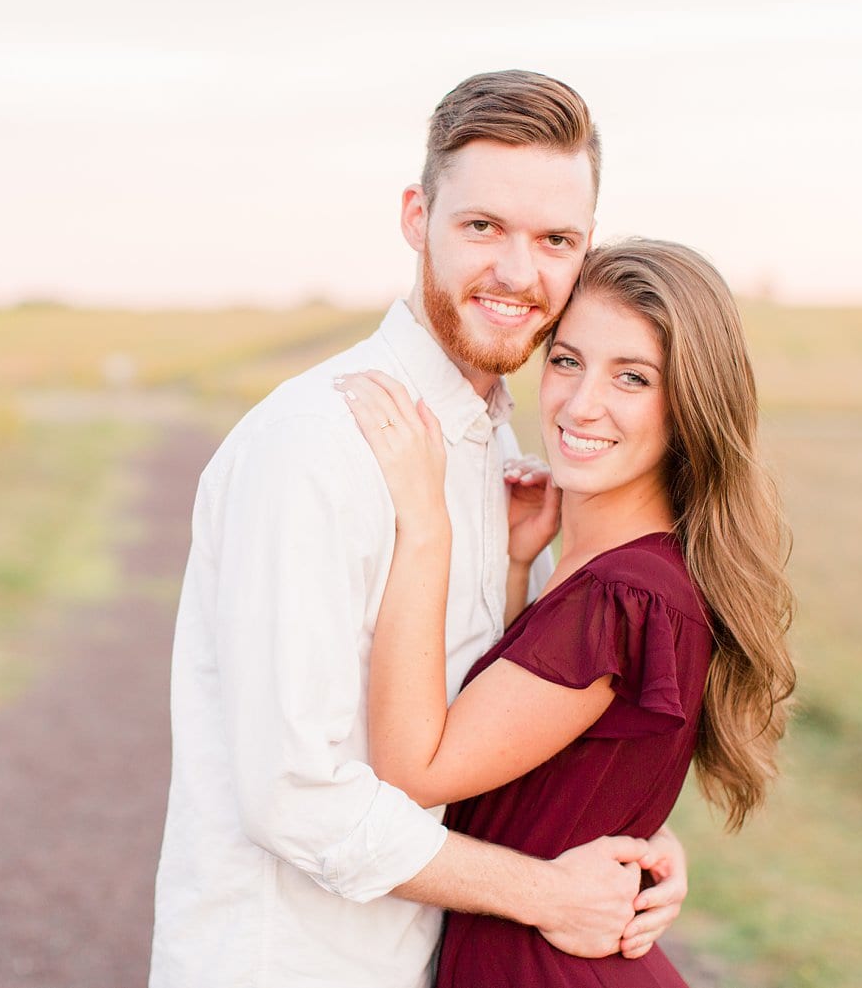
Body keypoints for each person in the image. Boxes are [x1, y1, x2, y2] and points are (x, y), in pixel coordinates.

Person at [150, 72, 690, 988]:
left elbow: (479, 724)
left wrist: (626, 845)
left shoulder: (501, 446)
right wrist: (545, 891)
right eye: (483, 227)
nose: (520, 275)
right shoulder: (316, 446)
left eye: (554, 239)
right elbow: (296, 794)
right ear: (416, 216)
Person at [334, 239, 796, 986]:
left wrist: (425, 526)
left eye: (633, 378)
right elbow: (536, 770)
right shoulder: (614, 572)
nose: (581, 404)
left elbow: (416, 771)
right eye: (567, 360)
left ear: (689, 405)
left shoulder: (626, 596)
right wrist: (519, 565)